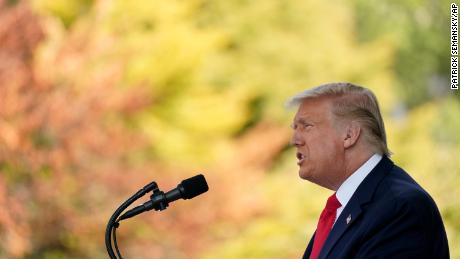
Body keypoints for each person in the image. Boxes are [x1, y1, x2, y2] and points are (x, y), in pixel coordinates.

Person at [287, 82, 449, 259]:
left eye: (306, 126)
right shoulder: (347, 208)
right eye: (295, 128)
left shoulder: (400, 208)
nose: (294, 140)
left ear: (349, 135)